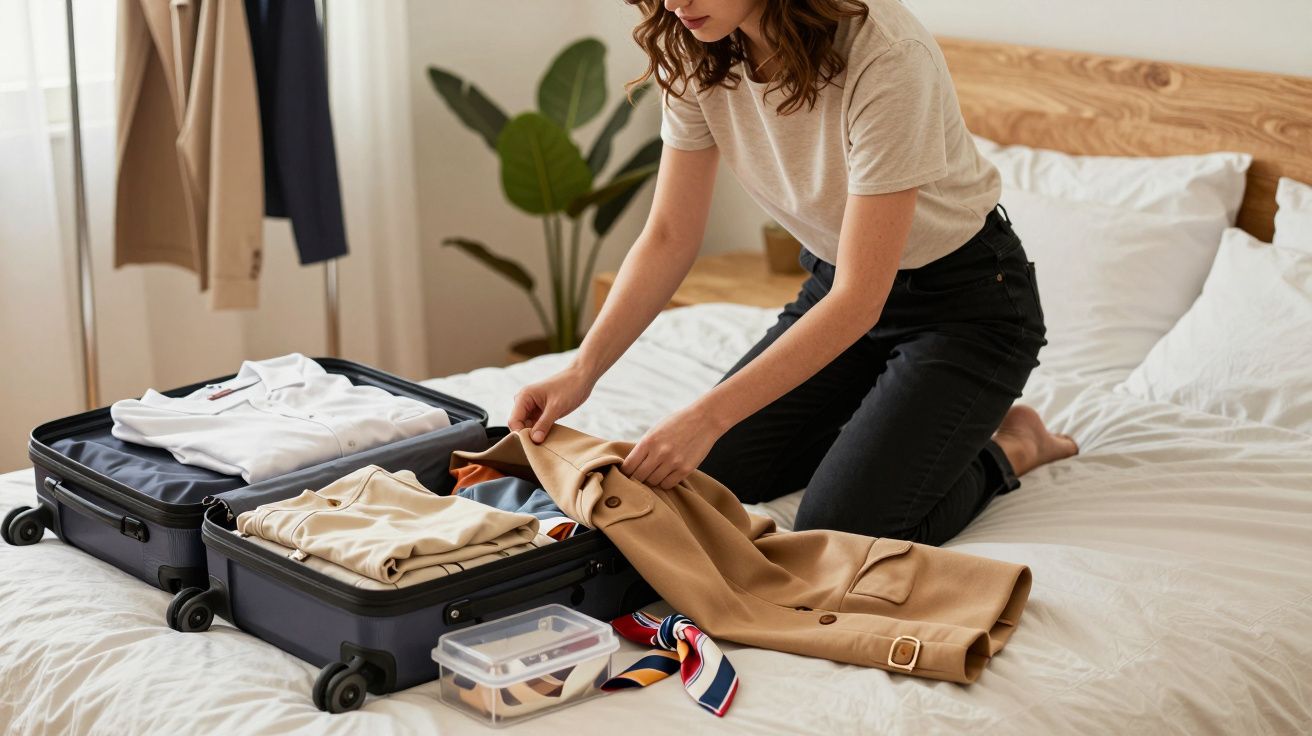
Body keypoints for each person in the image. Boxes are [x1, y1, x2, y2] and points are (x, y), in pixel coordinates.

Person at [507, 0, 1078, 546]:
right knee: (716, 479)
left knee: (841, 527)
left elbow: (861, 299)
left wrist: (706, 415)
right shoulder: (694, 43)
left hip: (965, 309)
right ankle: (890, 412)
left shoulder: (886, 54)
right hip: (837, 289)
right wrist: (583, 369)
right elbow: (668, 237)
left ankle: (1014, 443)